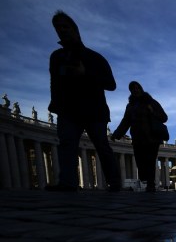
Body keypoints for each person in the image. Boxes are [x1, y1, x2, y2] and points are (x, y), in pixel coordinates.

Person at [46, 11, 120, 192]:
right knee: (67, 145)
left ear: (75, 30)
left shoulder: (95, 57)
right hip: (68, 109)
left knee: (102, 146)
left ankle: (115, 183)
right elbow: (54, 83)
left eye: (65, 26)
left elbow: (111, 84)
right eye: (58, 28)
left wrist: (85, 74)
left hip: (94, 110)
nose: (62, 30)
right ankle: (68, 183)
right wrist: (55, 104)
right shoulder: (56, 57)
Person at [111, 81, 168, 192]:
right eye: (133, 89)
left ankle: (151, 184)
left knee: (150, 161)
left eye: (137, 88)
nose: (135, 90)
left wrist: (152, 112)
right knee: (140, 162)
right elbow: (125, 122)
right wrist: (116, 134)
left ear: (141, 89)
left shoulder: (152, 102)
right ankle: (146, 179)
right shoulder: (130, 106)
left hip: (152, 138)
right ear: (131, 92)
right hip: (137, 138)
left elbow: (164, 117)